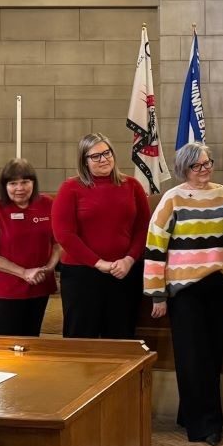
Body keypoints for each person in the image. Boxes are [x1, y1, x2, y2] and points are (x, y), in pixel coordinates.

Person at [145, 141, 223, 446]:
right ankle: (203, 426)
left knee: (212, 356)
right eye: (197, 165)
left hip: (218, 285)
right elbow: (154, 246)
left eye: (207, 163)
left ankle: (192, 413)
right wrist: (157, 294)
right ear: (183, 169)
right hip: (184, 290)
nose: (204, 170)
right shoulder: (172, 199)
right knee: (190, 357)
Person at [53, 133, 150, 339]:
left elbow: (143, 228)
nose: (103, 159)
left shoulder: (132, 185)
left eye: (107, 153)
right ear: (84, 161)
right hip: (82, 275)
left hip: (124, 273)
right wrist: (99, 263)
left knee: (121, 336)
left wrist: (129, 260)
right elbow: (64, 234)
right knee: (81, 338)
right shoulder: (71, 188)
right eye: (95, 156)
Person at [0, 159, 59, 337]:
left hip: (39, 287)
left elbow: (58, 244)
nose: (20, 188)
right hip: (7, 291)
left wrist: (50, 268)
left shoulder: (47, 204)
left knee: (32, 338)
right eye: (13, 183)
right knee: (7, 342)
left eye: (25, 182)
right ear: (4, 186)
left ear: (33, 183)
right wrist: (24, 273)